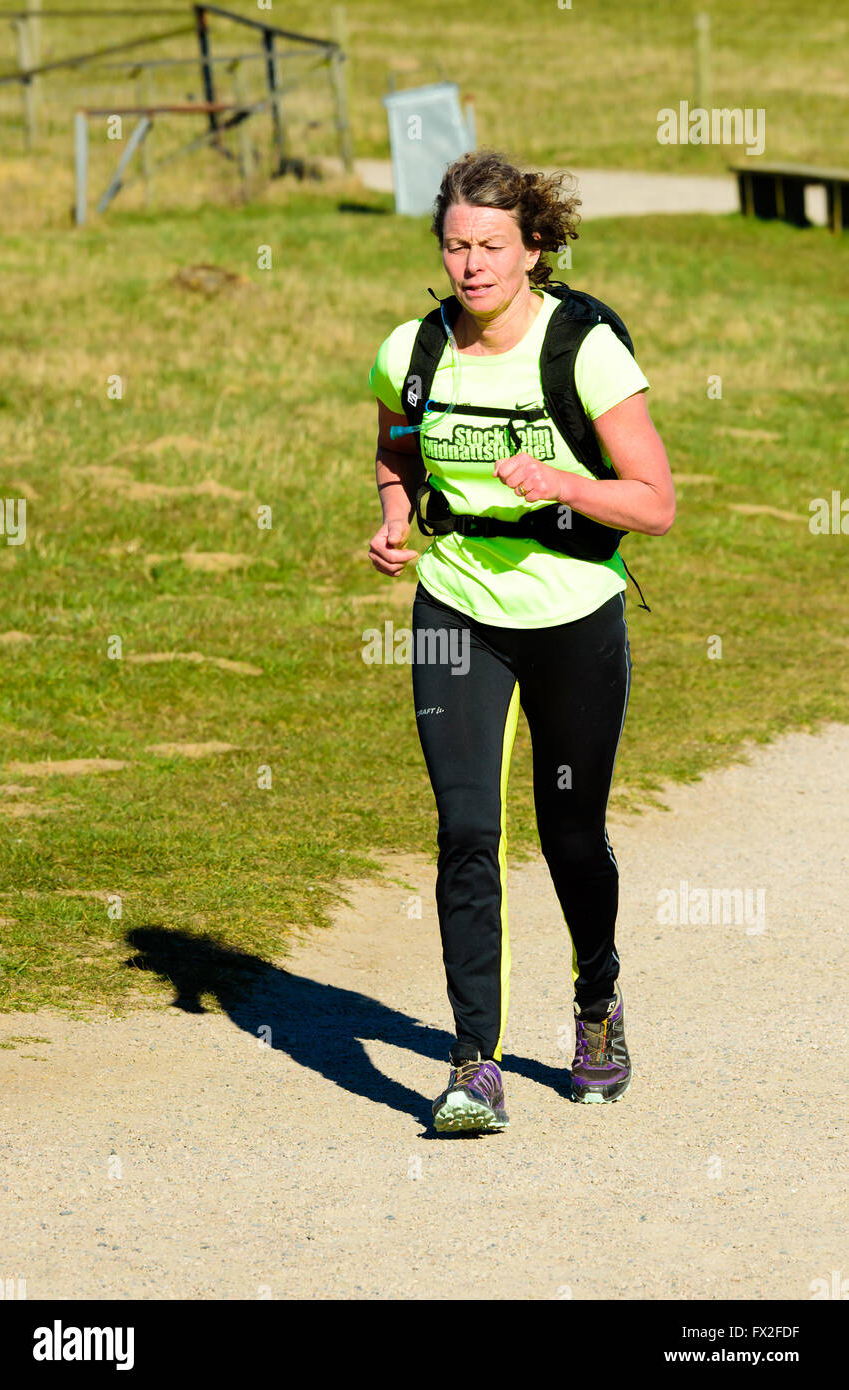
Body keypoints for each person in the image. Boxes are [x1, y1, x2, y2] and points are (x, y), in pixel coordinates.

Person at [367, 149, 674, 1133]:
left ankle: (595, 1001)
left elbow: (654, 503)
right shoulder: (410, 350)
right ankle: (473, 1063)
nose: (471, 265)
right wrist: (391, 513)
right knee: (466, 831)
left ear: (531, 247)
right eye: (456, 245)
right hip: (455, 609)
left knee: (569, 834)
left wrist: (564, 484)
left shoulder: (580, 350)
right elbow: (394, 439)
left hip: (573, 611)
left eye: (491, 245)